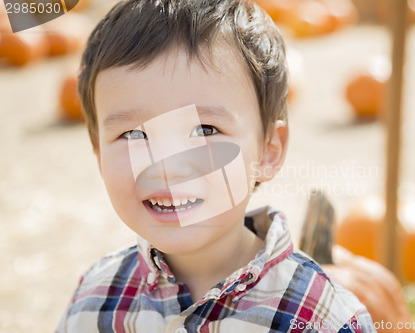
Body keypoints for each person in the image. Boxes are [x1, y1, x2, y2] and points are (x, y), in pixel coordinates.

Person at [57, 0, 376, 332]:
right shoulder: (92, 301)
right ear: (98, 156)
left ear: (268, 151)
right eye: (134, 134)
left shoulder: (323, 319)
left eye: (205, 130)